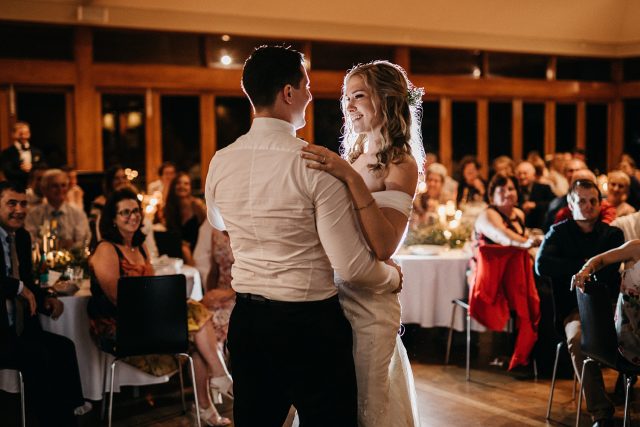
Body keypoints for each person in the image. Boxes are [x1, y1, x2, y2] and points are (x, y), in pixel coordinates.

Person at [205, 46, 401, 427]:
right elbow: (353, 267)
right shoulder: (314, 164)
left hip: (247, 322)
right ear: (288, 93)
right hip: (309, 328)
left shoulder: (221, 161)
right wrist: (392, 277)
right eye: (306, 85)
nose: (311, 95)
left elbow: (218, 220)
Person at [301, 60, 421, 427]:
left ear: (385, 99)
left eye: (358, 96)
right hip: (333, 294)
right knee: (332, 400)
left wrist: (348, 177)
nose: (348, 106)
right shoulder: (353, 156)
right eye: (345, 97)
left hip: (370, 304)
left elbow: (384, 245)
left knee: (368, 402)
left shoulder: (401, 164)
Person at [87, 188, 232, 426]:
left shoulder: (141, 247)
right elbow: (118, 299)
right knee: (192, 310)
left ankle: (205, 407)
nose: (132, 216)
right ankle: (222, 376)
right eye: (125, 212)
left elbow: (149, 288)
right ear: (112, 219)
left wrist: (163, 304)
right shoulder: (106, 249)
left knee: (197, 339)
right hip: (121, 327)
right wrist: (163, 308)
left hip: (147, 319)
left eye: (135, 211)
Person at [535, 179, 624, 427]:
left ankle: (626, 387)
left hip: (612, 308)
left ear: (599, 203)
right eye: (581, 201)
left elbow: (608, 274)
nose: (588, 206)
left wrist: (577, 266)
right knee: (577, 340)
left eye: (593, 201)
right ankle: (601, 412)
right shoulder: (559, 232)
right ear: (571, 203)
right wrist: (586, 263)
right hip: (576, 311)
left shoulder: (612, 234)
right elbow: (542, 266)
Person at [0, 181, 86, 427]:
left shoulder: (23, 237)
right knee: (40, 356)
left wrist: (46, 297)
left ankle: (69, 417)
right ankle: (47, 420)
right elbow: (17, 285)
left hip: (21, 329)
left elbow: (26, 281)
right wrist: (19, 288)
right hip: (1, 334)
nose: (19, 209)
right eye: (11, 203)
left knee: (64, 347)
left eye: (23, 204)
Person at [25, 168, 91, 250]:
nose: (60, 190)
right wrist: (53, 244)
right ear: (44, 189)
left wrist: (71, 247)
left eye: (63, 185)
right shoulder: (34, 214)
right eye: (55, 186)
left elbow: (84, 239)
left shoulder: (77, 213)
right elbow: (30, 240)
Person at [194, 220, 236, 346]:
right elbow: (214, 270)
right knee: (196, 320)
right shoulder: (216, 231)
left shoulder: (245, 232)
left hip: (238, 295)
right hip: (219, 293)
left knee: (215, 326)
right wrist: (208, 295)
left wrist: (228, 293)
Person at [163, 172, 207, 265]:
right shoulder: (169, 208)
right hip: (176, 253)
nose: (182, 186)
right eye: (178, 183)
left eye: (186, 183)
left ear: (190, 187)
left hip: (199, 252)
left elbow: (206, 231)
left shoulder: (197, 205)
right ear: (173, 186)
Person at [0, 122, 43, 188]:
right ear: (13, 134)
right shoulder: (6, 153)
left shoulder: (37, 151)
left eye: (26, 133)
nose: (23, 136)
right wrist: (26, 173)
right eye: (20, 133)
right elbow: (8, 172)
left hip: (36, 188)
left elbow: (44, 166)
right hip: (15, 188)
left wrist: (32, 167)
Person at [515, 161, 555, 229]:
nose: (522, 176)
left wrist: (535, 205)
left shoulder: (544, 188)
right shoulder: (513, 190)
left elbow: (554, 203)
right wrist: (521, 206)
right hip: (519, 228)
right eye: (519, 174)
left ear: (533, 175)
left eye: (525, 173)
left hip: (541, 227)